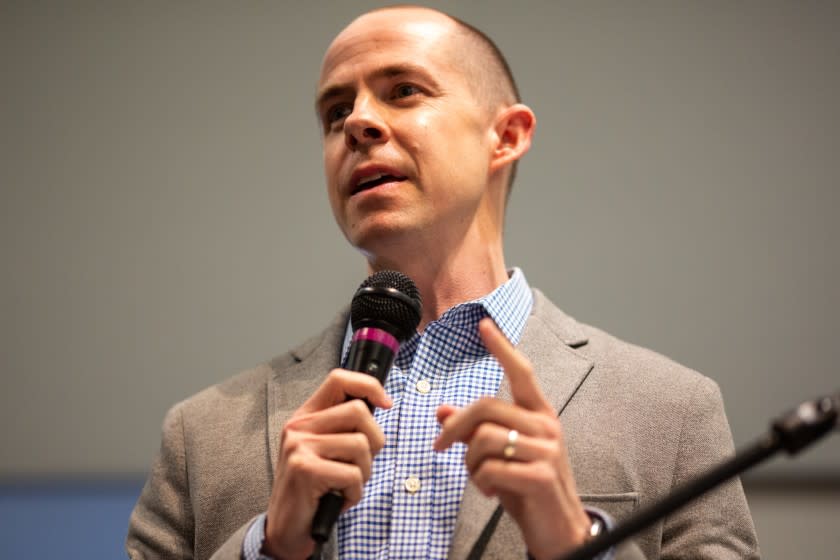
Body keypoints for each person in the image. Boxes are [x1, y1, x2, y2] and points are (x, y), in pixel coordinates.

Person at [127, 6, 759, 560]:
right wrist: (270, 549)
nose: (357, 124)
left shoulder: (670, 411)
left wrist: (573, 545)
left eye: (403, 90)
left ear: (506, 136)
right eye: (335, 111)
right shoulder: (200, 435)